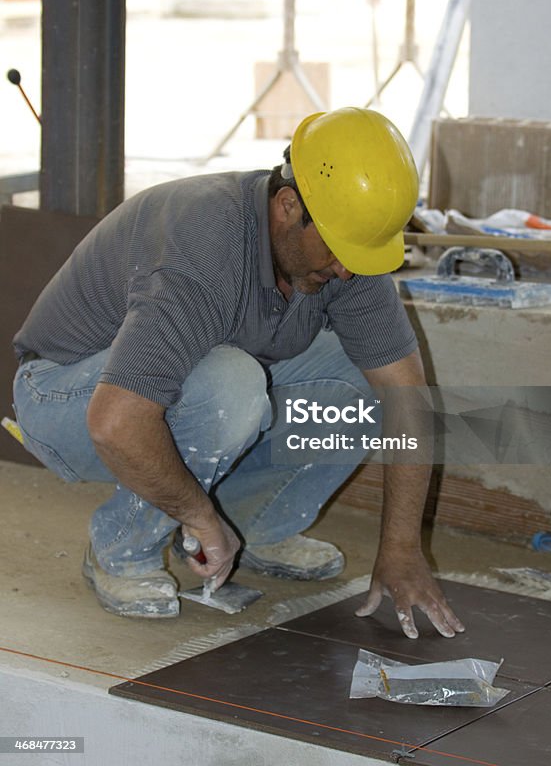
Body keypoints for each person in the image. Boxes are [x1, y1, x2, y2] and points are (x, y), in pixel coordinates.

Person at [13, 106, 463, 639]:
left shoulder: (345, 253)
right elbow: (116, 421)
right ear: (288, 205)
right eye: (341, 251)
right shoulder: (206, 242)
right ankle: (123, 547)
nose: (347, 270)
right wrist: (199, 514)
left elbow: (406, 398)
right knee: (230, 385)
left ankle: (258, 525)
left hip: (166, 393)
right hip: (64, 397)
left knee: (363, 383)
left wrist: (402, 548)